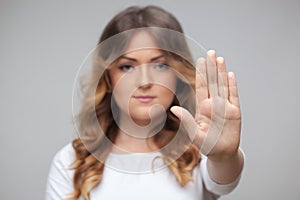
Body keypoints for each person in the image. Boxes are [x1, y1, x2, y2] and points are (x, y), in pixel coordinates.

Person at [45, 5, 244, 200]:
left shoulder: (200, 152)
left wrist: (224, 156)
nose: (144, 82)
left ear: (178, 73)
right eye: (127, 67)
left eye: (160, 65)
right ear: (108, 77)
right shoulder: (70, 162)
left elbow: (224, 179)